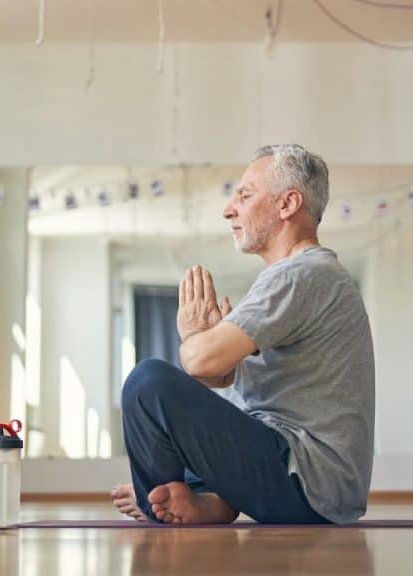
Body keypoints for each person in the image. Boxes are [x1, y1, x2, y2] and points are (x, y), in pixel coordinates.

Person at [110, 144, 375, 525]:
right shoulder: (301, 276)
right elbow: (215, 376)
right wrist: (212, 345)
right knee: (181, 412)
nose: (229, 209)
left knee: (146, 381)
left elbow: (200, 360)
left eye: (245, 195)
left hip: (305, 477)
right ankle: (204, 499)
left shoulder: (301, 274)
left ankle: (163, 501)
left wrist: (195, 333)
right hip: (306, 479)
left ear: (288, 204)